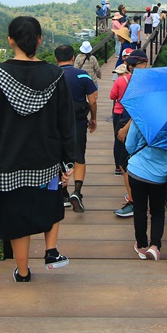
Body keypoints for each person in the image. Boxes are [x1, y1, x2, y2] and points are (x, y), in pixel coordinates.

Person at [0, 16, 74, 282]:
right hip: (46, 159)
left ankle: (22, 271)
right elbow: (66, 123)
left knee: (17, 216)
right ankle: (51, 250)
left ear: (10, 41)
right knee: (50, 201)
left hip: (7, 161)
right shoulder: (55, 75)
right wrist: (68, 160)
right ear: (40, 40)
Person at [120, 117, 167, 261]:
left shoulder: (142, 117)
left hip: (137, 171)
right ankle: (155, 246)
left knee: (140, 208)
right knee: (157, 211)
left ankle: (142, 244)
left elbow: (129, 146)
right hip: (159, 175)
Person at [56, 45, 98, 213]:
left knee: (58, 156)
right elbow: (93, 100)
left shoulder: (52, 75)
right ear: (73, 58)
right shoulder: (82, 75)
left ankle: (62, 193)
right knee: (79, 157)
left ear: (56, 59)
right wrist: (93, 118)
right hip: (78, 123)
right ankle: (77, 192)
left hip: (56, 124)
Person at [110, 50, 149, 218]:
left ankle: (134, 202)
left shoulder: (140, 83)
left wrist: (126, 128)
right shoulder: (143, 81)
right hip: (136, 125)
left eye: (134, 64)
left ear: (144, 63)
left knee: (125, 164)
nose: (130, 67)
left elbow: (139, 109)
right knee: (130, 162)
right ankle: (136, 198)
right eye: (129, 65)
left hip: (130, 124)